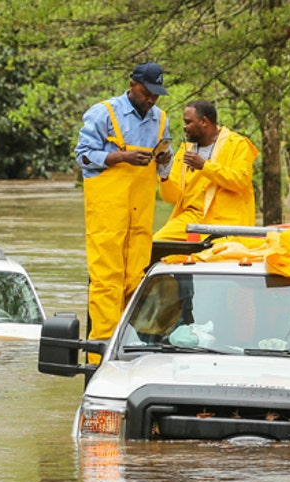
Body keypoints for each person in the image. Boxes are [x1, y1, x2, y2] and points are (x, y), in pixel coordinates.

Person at [74, 62, 173, 342]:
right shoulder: (104, 113)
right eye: (146, 92)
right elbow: (81, 156)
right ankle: (102, 350)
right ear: (132, 85)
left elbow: (166, 171)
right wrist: (121, 157)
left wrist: (164, 160)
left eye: (156, 94)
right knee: (107, 280)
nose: (151, 99)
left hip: (140, 215)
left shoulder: (161, 120)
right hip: (107, 213)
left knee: (137, 278)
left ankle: (133, 345)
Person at [154, 100, 258, 241]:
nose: (184, 127)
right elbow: (172, 197)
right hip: (191, 218)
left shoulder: (237, 144)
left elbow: (241, 181)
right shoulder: (186, 149)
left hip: (226, 221)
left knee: (219, 256)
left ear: (204, 122)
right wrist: (164, 174)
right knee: (158, 242)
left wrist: (204, 166)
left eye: (188, 122)